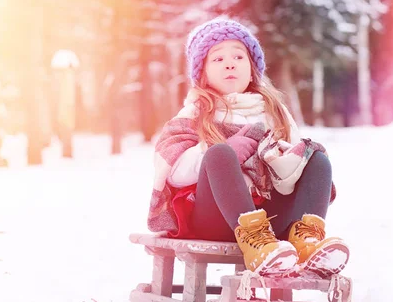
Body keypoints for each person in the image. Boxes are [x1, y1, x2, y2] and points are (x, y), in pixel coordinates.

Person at [147, 17, 348, 277]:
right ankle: (256, 240)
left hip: (272, 218)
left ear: (252, 67)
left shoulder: (274, 112)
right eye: (218, 59)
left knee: (315, 158)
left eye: (239, 57)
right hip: (215, 218)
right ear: (203, 73)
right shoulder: (195, 112)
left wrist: (283, 158)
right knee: (220, 153)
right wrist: (220, 151)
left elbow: (294, 171)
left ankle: (307, 241)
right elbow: (173, 171)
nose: (230, 63)